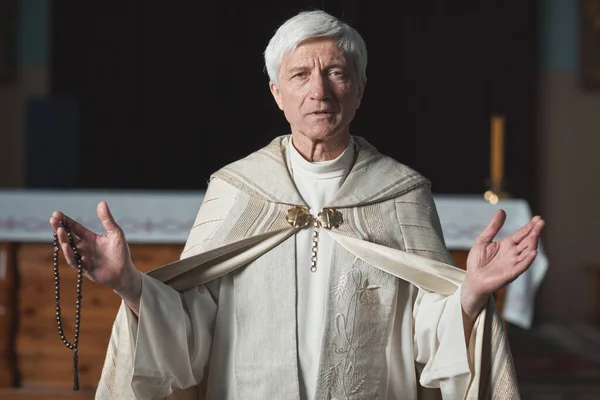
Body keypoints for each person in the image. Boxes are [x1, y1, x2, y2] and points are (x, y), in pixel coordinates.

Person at [49, 10, 544, 400]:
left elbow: (425, 335)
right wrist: (130, 286)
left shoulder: (402, 192)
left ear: (361, 87)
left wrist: (471, 292)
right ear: (276, 92)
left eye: (336, 72)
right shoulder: (238, 188)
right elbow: (193, 332)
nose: (319, 91)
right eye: (300, 75)